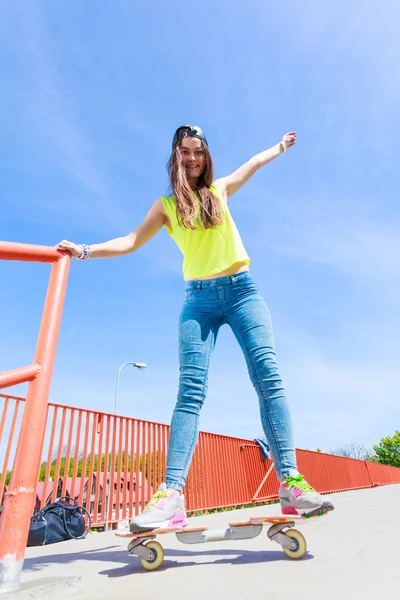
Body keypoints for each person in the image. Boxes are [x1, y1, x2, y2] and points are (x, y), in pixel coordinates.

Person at [57, 125, 334, 532]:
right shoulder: (166, 206)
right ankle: (171, 494)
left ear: (206, 157)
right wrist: (83, 251)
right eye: (185, 151)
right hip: (197, 300)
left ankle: (290, 483)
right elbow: (131, 240)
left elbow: (252, 165)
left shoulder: (219, 191)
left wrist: (278, 147)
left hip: (243, 291)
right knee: (190, 391)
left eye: (199, 152)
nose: (192, 158)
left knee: (268, 377)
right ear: (176, 156)